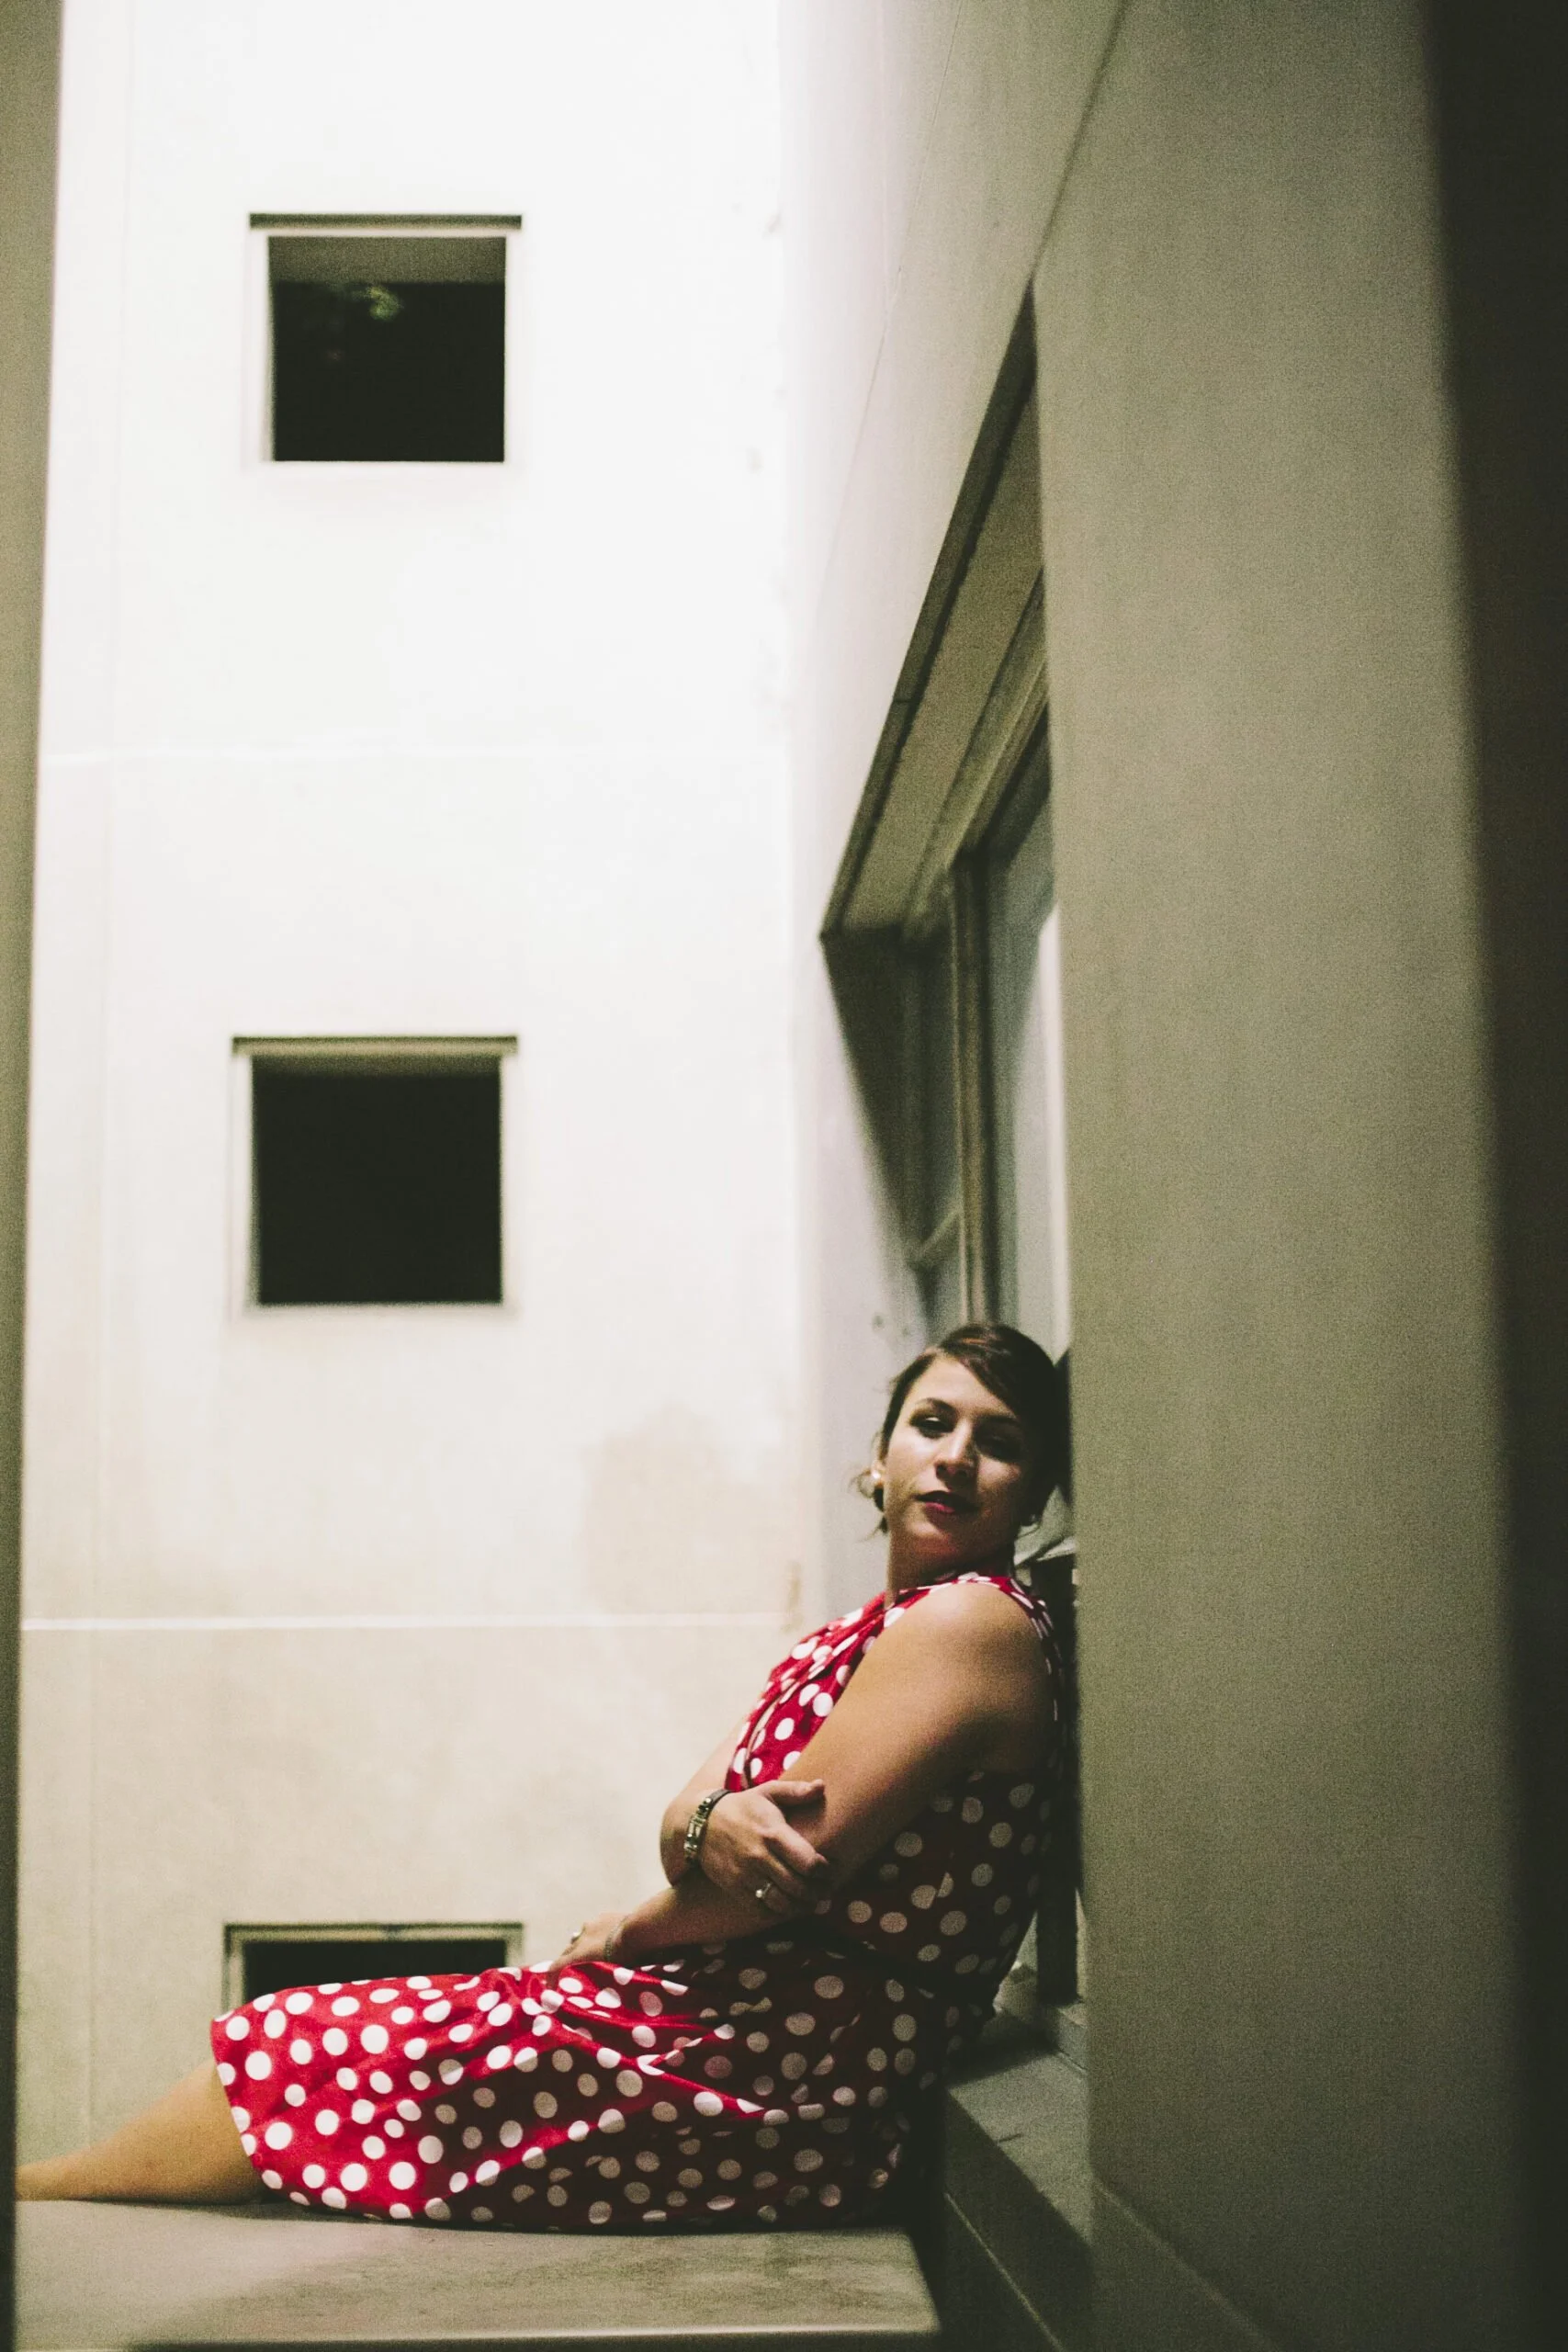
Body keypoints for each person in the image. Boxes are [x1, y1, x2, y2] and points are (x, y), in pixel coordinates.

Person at [19, 1322, 1070, 2231]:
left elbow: (779, 1877)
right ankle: (51, 2195)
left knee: (310, 2039)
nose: (955, 1458)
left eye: (1001, 1444)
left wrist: (626, 1929)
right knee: (327, 2035)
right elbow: (684, 1821)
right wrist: (704, 1828)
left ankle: (44, 2199)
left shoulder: (969, 1625)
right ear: (880, 1457)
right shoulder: (842, 1638)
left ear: (1031, 1496)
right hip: (725, 2023)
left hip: (789, 2070)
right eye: (933, 1423)